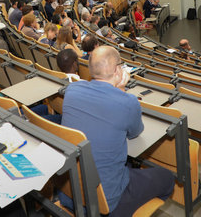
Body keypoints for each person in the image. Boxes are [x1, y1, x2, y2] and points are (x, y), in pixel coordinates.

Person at [61, 46, 174, 215]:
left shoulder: (72, 90)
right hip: (108, 200)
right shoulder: (128, 102)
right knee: (167, 178)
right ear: (117, 70)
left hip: (69, 191)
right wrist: (122, 90)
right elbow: (135, 132)